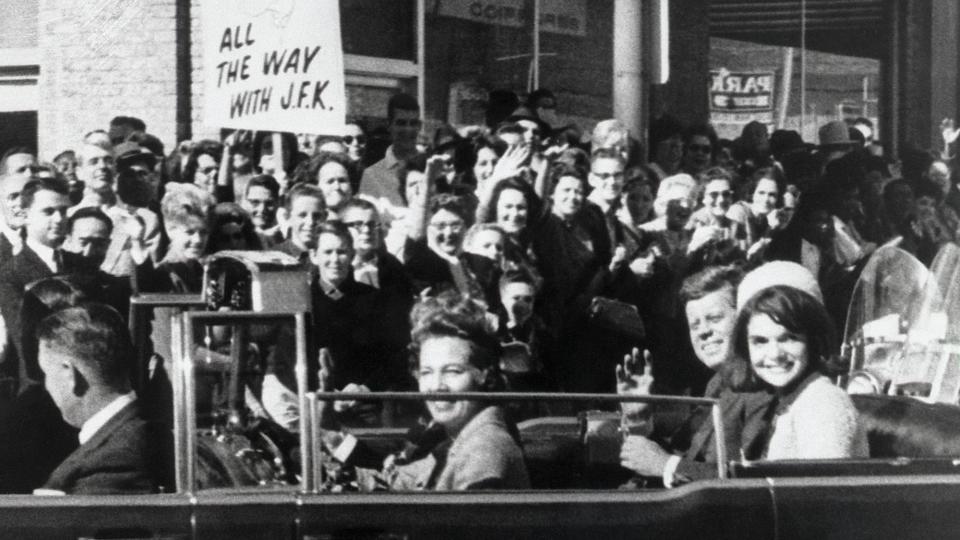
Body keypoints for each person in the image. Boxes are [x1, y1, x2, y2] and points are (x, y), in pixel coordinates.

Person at [618, 262, 823, 485]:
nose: (704, 331)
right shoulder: (719, 383)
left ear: (747, 320)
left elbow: (753, 479)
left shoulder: (764, 385)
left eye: (715, 318)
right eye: (694, 325)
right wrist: (639, 419)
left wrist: (667, 466)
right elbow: (680, 456)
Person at [322, 291, 530, 491]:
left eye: (452, 371)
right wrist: (329, 435)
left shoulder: (485, 450)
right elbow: (399, 483)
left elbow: (448, 524)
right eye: (427, 372)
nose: (437, 386)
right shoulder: (451, 436)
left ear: (483, 374)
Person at [36, 303, 173, 494]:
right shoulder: (140, 430)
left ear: (70, 374)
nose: (46, 386)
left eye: (46, 373)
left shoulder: (113, 461)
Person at [726, 284, 868, 460]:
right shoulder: (786, 399)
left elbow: (823, 484)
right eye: (760, 341)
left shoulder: (823, 402)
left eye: (788, 339)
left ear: (813, 342)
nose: (775, 354)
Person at [360, 93, 423, 208]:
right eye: (401, 123)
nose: (408, 129)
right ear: (389, 125)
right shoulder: (372, 175)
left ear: (419, 126)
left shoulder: (431, 168)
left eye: (413, 123)